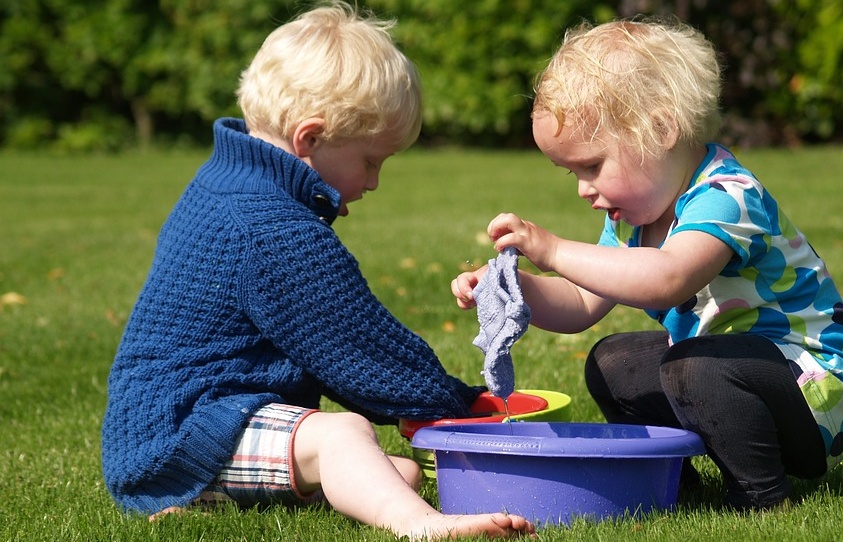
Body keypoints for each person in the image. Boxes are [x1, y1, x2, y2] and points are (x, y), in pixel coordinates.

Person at [101, 3, 534, 539]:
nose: (374, 182)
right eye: (371, 161)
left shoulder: (227, 183)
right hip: (184, 433)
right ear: (309, 139)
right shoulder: (271, 228)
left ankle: (207, 503)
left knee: (392, 471)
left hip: (181, 423)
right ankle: (423, 527)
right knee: (343, 435)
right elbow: (359, 348)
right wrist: (459, 403)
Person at [451, 16, 843, 512]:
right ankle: (674, 484)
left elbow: (668, 279)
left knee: (690, 367)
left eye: (592, 166)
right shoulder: (633, 220)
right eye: (572, 172)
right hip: (729, 374)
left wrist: (554, 249)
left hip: (815, 391)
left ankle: (761, 496)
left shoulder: (727, 195)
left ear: (660, 130)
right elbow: (583, 301)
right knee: (613, 363)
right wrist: (511, 287)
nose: (584, 189)